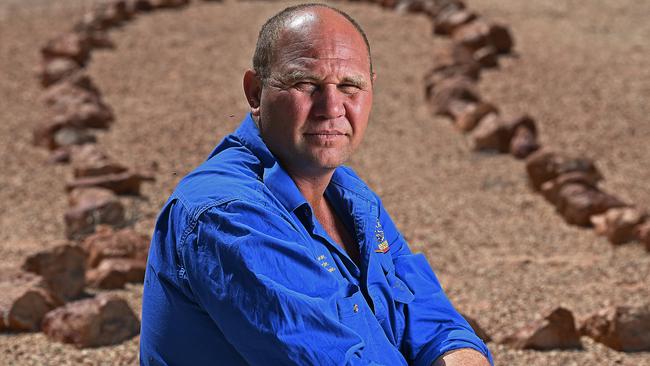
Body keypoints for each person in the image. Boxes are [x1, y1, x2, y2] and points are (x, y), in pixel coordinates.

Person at [140, 3, 493, 365]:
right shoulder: (230, 216)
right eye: (305, 83)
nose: (331, 107)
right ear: (255, 92)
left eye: (349, 85)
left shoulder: (348, 194)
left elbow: (430, 317)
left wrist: (460, 354)